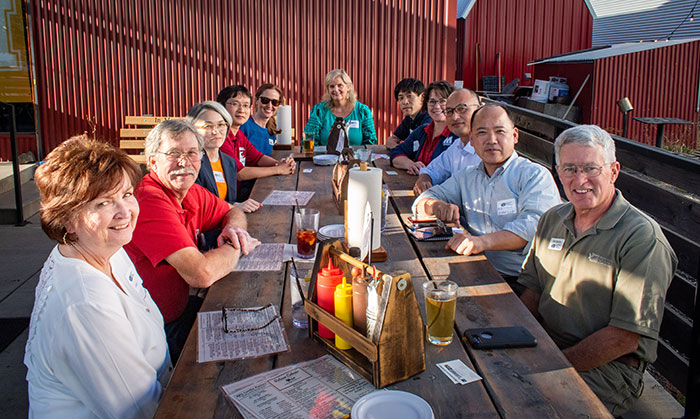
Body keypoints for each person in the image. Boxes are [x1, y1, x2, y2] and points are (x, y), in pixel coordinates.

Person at [518, 125, 677, 416]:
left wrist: (551, 365)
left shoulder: (641, 238)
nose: (580, 180)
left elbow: (624, 337)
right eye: (569, 168)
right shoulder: (553, 218)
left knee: (519, 404)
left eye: (591, 168)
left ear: (613, 171)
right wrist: (516, 339)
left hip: (608, 368)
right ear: (558, 172)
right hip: (549, 344)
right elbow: (533, 290)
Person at [25, 136, 171, 418]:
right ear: (65, 216)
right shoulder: (84, 303)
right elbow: (143, 412)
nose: (124, 212)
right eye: (103, 203)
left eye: (127, 195)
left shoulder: (108, 249)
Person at [124, 119, 261, 361]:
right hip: (153, 333)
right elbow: (202, 274)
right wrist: (237, 247)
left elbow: (233, 212)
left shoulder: (190, 191)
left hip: (179, 308)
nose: (183, 162)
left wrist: (235, 231)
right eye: (173, 153)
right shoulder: (149, 199)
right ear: (152, 161)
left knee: (259, 326)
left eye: (191, 153)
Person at [412, 104, 561, 288]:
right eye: (482, 133)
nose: (491, 140)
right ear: (472, 140)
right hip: (474, 269)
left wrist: (482, 242)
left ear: (514, 136)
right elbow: (421, 201)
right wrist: (436, 206)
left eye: (500, 131)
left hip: (520, 282)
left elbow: (532, 226)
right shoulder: (466, 176)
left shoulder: (534, 175)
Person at [216, 85, 296, 201]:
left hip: (239, 194)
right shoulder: (220, 137)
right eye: (235, 104)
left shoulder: (238, 134)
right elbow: (239, 173)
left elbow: (258, 157)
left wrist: (280, 163)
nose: (241, 110)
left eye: (245, 105)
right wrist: (278, 169)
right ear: (221, 107)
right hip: (226, 201)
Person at [187, 101, 261, 213]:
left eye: (221, 125)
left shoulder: (229, 162)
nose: (216, 131)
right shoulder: (189, 163)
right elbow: (197, 204)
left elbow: (230, 200)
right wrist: (234, 207)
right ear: (192, 129)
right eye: (208, 126)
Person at [413, 89, 482, 195]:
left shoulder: (487, 150)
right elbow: (433, 170)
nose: (455, 117)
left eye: (462, 109)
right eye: (449, 112)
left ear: (479, 109)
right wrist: (424, 178)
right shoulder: (457, 146)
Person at [390, 81, 456, 174]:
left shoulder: (457, 135)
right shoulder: (422, 131)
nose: (436, 106)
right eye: (432, 102)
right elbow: (396, 152)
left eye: (442, 101)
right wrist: (410, 164)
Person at [304, 69, 377, 146]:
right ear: (328, 90)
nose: (336, 90)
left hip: (355, 157)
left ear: (348, 87)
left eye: (340, 85)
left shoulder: (362, 111)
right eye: (332, 86)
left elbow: (370, 142)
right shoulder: (319, 111)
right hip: (326, 157)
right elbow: (309, 138)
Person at [385, 78, 431, 150]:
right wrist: (401, 148)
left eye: (409, 96)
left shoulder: (429, 119)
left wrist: (401, 149)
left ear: (422, 97)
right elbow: (390, 140)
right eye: (401, 98)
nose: (405, 102)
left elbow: (420, 149)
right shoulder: (409, 118)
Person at [240, 83, 284, 155]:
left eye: (274, 102)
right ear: (256, 101)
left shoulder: (271, 130)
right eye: (265, 100)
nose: (269, 105)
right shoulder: (244, 126)